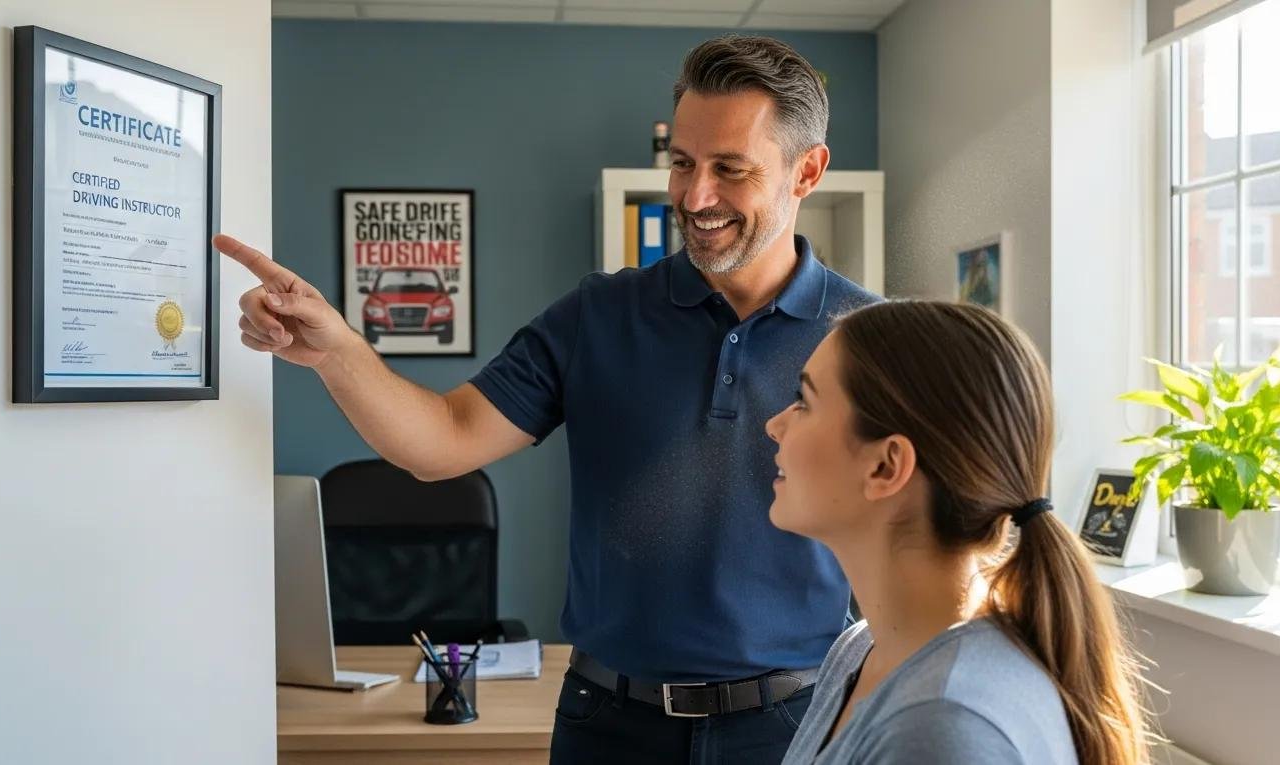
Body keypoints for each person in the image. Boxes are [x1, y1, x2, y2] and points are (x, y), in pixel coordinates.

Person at [217, 35, 880, 763]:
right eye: (683, 163)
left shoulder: (874, 338)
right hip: (609, 725)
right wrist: (335, 351)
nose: (695, 197)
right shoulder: (599, 314)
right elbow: (443, 440)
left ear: (806, 171)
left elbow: (930, 540)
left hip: (794, 729)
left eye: (731, 169)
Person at [768, 300, 1153, 765]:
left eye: (804, 402)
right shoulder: (861, 648)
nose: (774, 425)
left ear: (886, 466)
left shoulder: (943, 728)